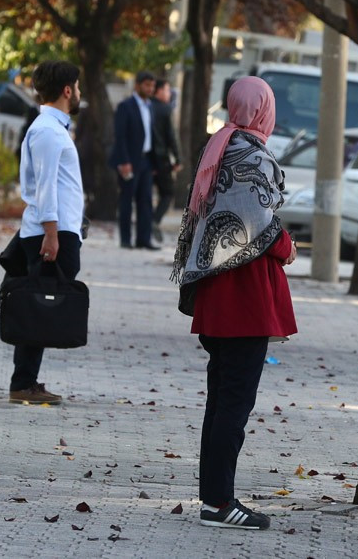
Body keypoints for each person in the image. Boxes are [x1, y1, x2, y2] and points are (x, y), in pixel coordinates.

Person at [171, 76, 298, 531]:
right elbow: (257, 224)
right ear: (264, 109)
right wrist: (287, 246)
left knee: (220, 401)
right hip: (243, 297)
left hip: (215, 294)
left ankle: (214, 499)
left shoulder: (218, 146)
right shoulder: (253, 154)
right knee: (234, 405)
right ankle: (219, 504)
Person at [10, 60, 85, 405]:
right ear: (67, 90)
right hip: (49, 232)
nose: (79, 93)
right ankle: (22, 382)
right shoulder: (47, 131)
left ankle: (27, 380)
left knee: (41, 304)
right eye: (78, 87)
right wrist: (52, 235)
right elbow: (45, 189)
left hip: (58, 230)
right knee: (38, 305)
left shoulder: (53, 129)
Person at [109, 71, 159, 250]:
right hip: (129, 160)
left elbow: (151, 135)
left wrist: (154, 162)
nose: (150, 89)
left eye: (152, 86)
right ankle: (125, 239)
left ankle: (143, 239)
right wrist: (123, 161)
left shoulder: (150, 106)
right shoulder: (125, 106)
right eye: (147, 85)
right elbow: (120, 136)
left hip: (146, 160)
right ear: (137, 85)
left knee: (145, 200)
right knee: (127, 199)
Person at [150, 78, 182, 244]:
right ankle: (154, 221)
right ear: (160, 91)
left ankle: (148, 222)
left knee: (145, 194)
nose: (169, 94)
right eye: (168, 90)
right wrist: (178, 158)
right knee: (167, 193)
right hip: (162, 159)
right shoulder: (165, 110)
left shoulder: (146, 107)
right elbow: (171, 137)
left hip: (147, 159)